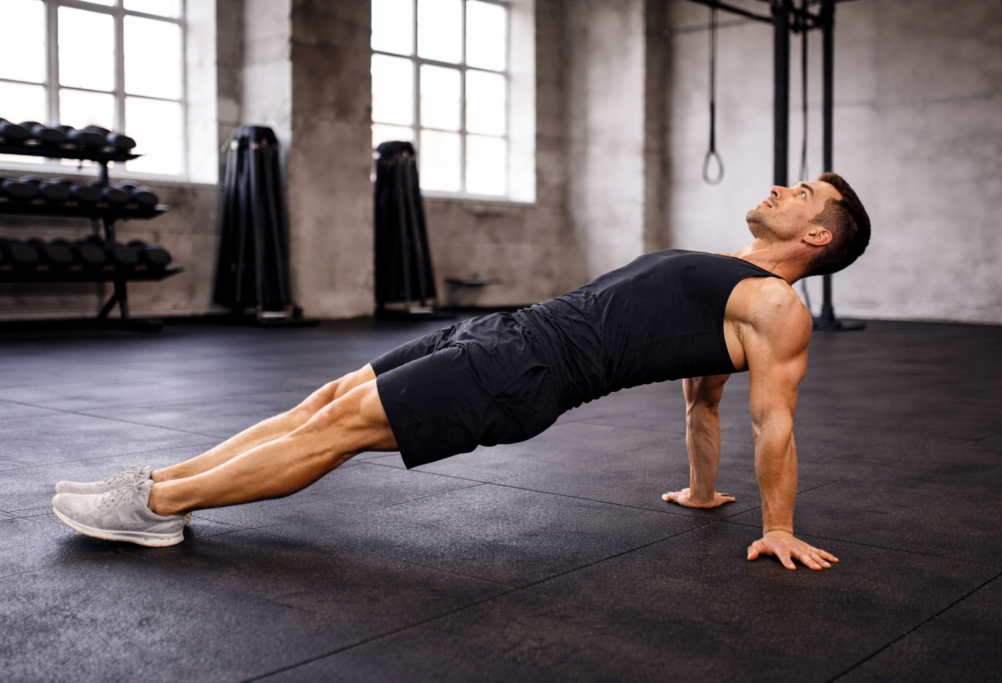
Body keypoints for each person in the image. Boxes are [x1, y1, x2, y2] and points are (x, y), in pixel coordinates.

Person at [52, 172, 870, 571]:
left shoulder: (777, 308)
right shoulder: (733, 274)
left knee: (336, 431)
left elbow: (775, 420)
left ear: (819, 237)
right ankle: (161, 479)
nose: (780, 189)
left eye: (801, 193)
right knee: (327, 398)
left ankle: (156, 507)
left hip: (529, 370)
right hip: (510, 329)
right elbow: (702, 398)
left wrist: (777, 525)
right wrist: (698, 490)